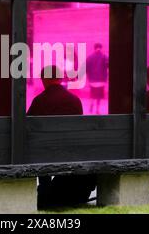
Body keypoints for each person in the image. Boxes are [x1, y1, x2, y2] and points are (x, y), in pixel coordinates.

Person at [28, 65, 96, 209]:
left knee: (39, 148)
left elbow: (28, 126)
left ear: (43, 79)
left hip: (45, 152)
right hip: (71, 151)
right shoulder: (75, 100)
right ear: (60, 78)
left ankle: (44, 186)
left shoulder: (39, 101)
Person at [85, 43, 109, 114]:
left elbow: (86, 69)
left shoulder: (89, 57)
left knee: (93, 95)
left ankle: (91, 105)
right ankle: (97, 109)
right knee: (99, 96)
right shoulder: (104, 57)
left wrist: (88, 79)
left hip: (92, 81)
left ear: (94, 48)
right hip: (101, 81)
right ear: (101, 48)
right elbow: (108, 67)